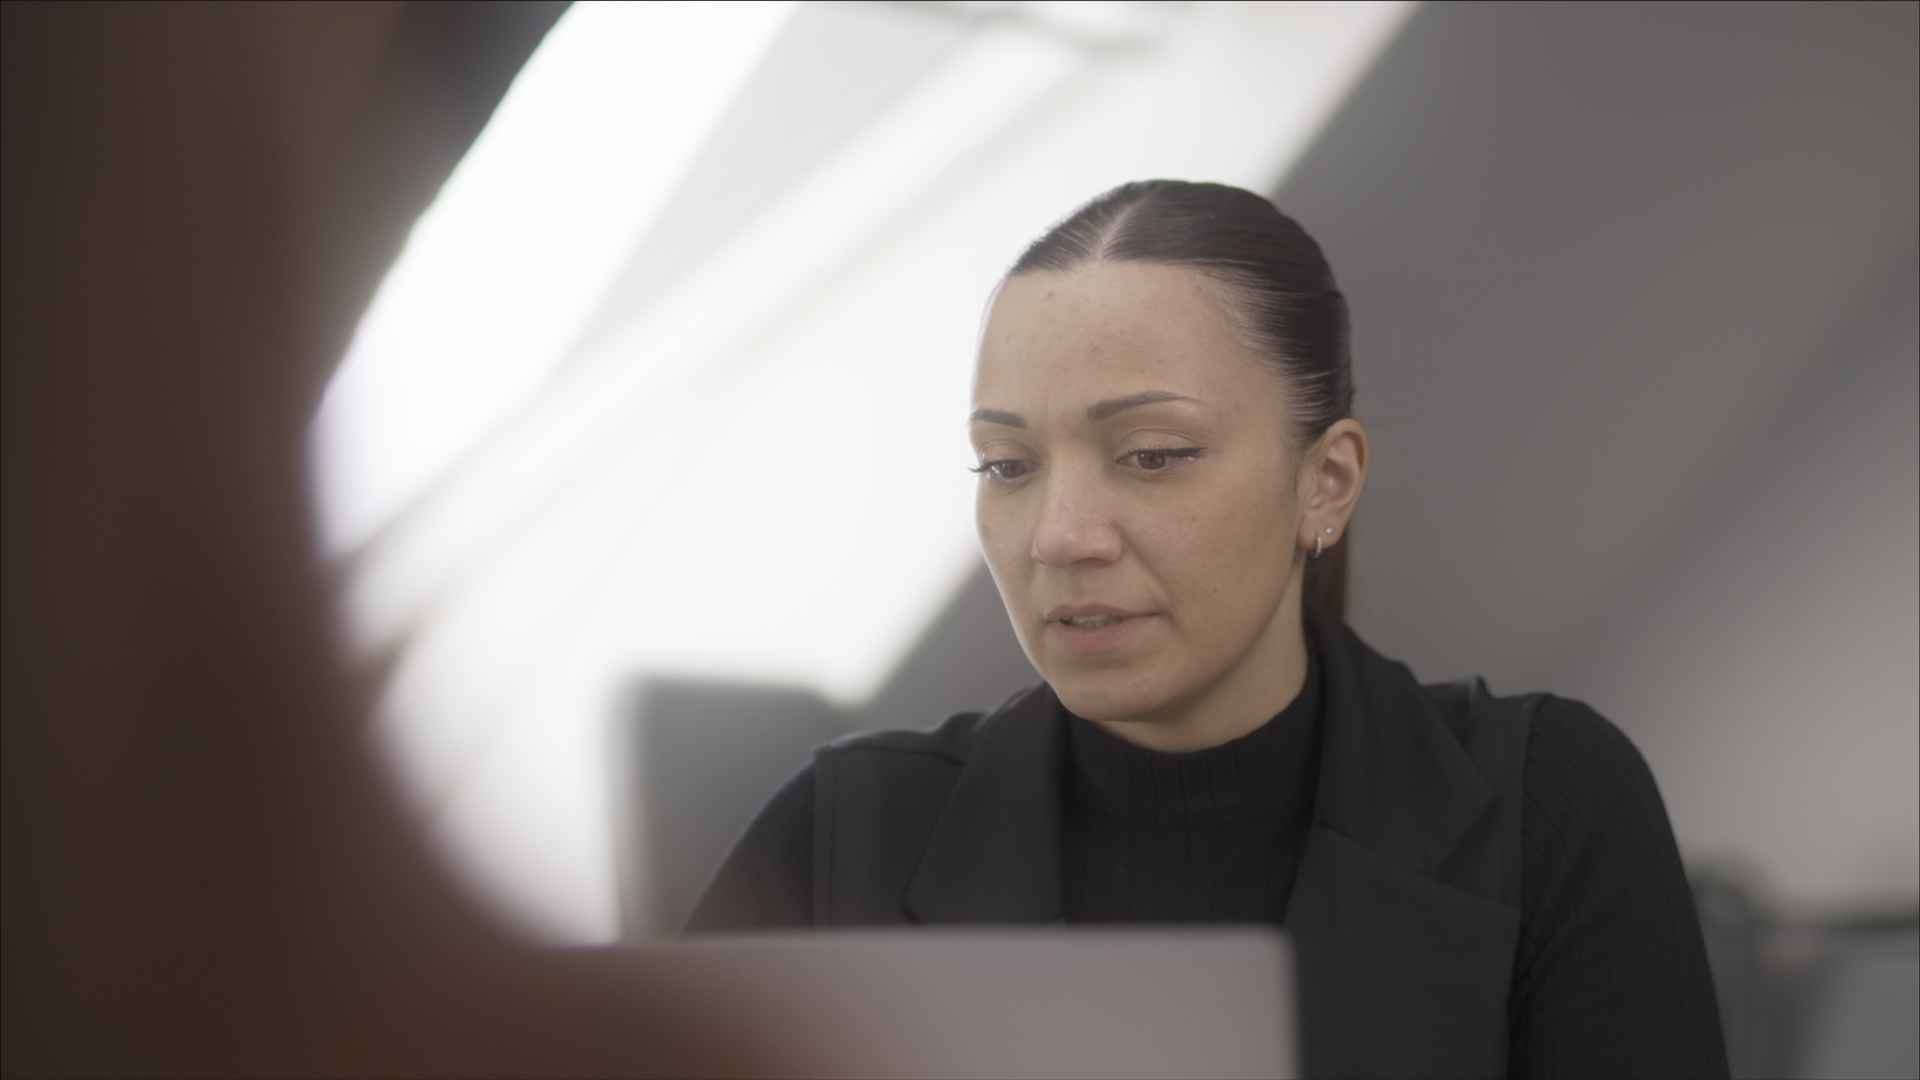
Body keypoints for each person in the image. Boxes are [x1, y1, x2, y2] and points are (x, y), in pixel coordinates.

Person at [688, 180, 1730, 1078]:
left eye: (1152, 454)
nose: (1060, 536)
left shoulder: (1548, 806)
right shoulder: (842, 834)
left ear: (1326, 483)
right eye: (1008, 465)